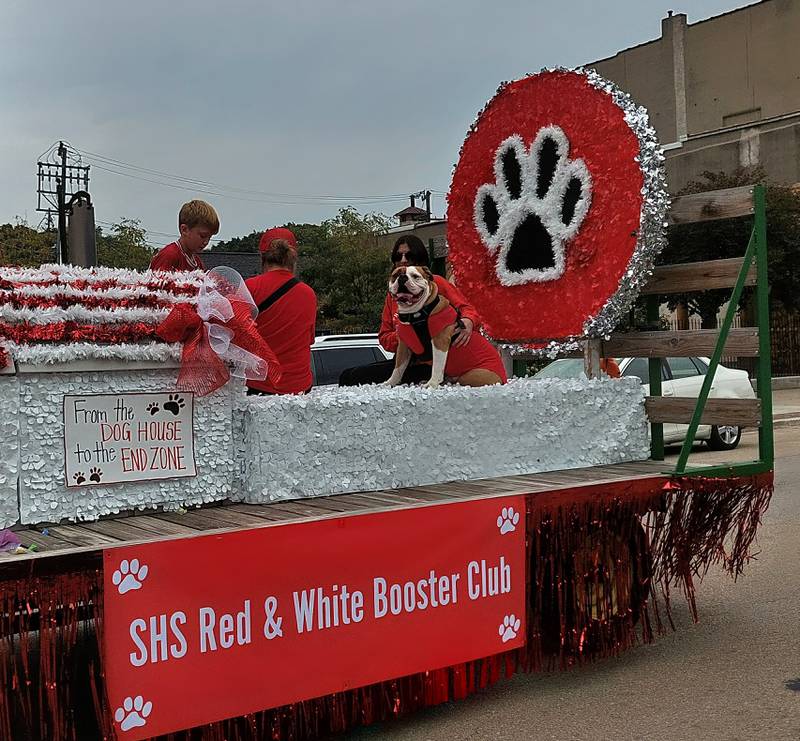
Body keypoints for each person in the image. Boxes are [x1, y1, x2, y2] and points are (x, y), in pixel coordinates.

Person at [339, 235, 482, 386]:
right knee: (347, 375)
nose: (403, 259)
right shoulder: (393, 293)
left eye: (409, 255)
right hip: (405, 358)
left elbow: (467, 309)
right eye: (398, 255)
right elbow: (384, 336)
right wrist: (408, 337)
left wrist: (468, 320)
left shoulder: (435, 282)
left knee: (356, 377)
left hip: (431, 361)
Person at [245, 228, 317, 395]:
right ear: (293, 258)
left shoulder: (250, 288)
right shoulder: (308, 294)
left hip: (260, 384)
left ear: (262, 257)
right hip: (300, 387)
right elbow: (310, 339)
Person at [149, 200, 219, 271]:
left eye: (209, 237)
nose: (206, 242)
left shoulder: (197, 263)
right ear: (184, 230)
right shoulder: (169, 256)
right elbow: (156, 281)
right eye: (203, 236)